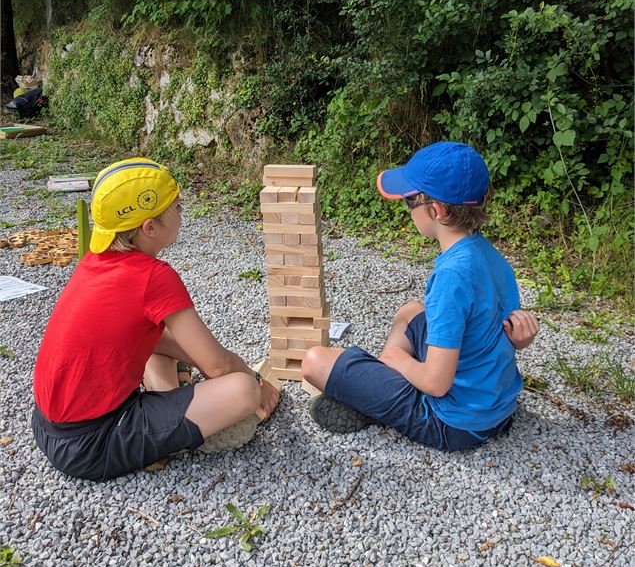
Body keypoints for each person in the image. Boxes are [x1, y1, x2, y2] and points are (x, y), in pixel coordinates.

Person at [32, 158, 279, 481]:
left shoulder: (96, 260)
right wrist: (258, 382)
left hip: (50, 430)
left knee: (157, 340)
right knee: (242, 390)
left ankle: (168, 406)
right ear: (150, 227)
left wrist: (199, 361)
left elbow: (162, 342)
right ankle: (171, 427)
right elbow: (218, 366)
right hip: (93, 443)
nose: (181, 214)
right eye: (176, 208)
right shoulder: (153, 276)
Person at [302, 141, 539, 451]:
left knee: (314, 362)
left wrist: (394, 358)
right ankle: (376, 393)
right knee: (410, 311)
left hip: (454, 423)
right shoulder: (488, 255)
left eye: (409, 201)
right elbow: (492, 332)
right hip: (495, 408)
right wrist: (518, 341)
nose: (407, 208)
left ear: (436, 210)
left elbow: (436, 384)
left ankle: (372, 402)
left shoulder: (451, 277)